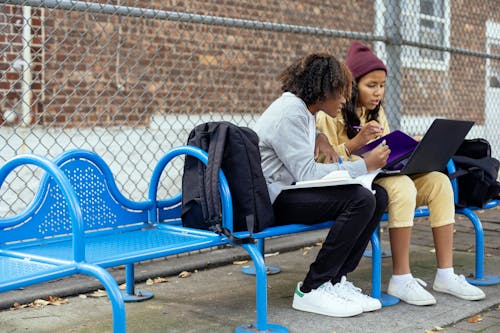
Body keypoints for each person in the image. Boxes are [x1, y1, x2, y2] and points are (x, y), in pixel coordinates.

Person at [316, 41, 486, 306]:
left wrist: (411, 148)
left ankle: (446, 273)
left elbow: (387, 147)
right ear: (351, 85)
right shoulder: (331, 112)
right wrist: (357, 142)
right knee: (404, 186)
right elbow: (325, 160)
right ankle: (401, 278)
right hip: (359, 182)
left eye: (382, 86)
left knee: (440, 182)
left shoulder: (376, 111)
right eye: (370, 85)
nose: (377, 93)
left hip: (386, 172)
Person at [254, 53, 391, 317]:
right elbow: (307, 173)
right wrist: (365, 166)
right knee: (360, 199)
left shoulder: (303, 110)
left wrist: (321, 137)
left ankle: (336, 280)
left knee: (378, 195)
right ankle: (312, 288)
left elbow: (303, 147)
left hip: (292, 189)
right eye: (339, 93)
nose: (343, 100)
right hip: (274, 198)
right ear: (321, 90)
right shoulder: (290, 113)